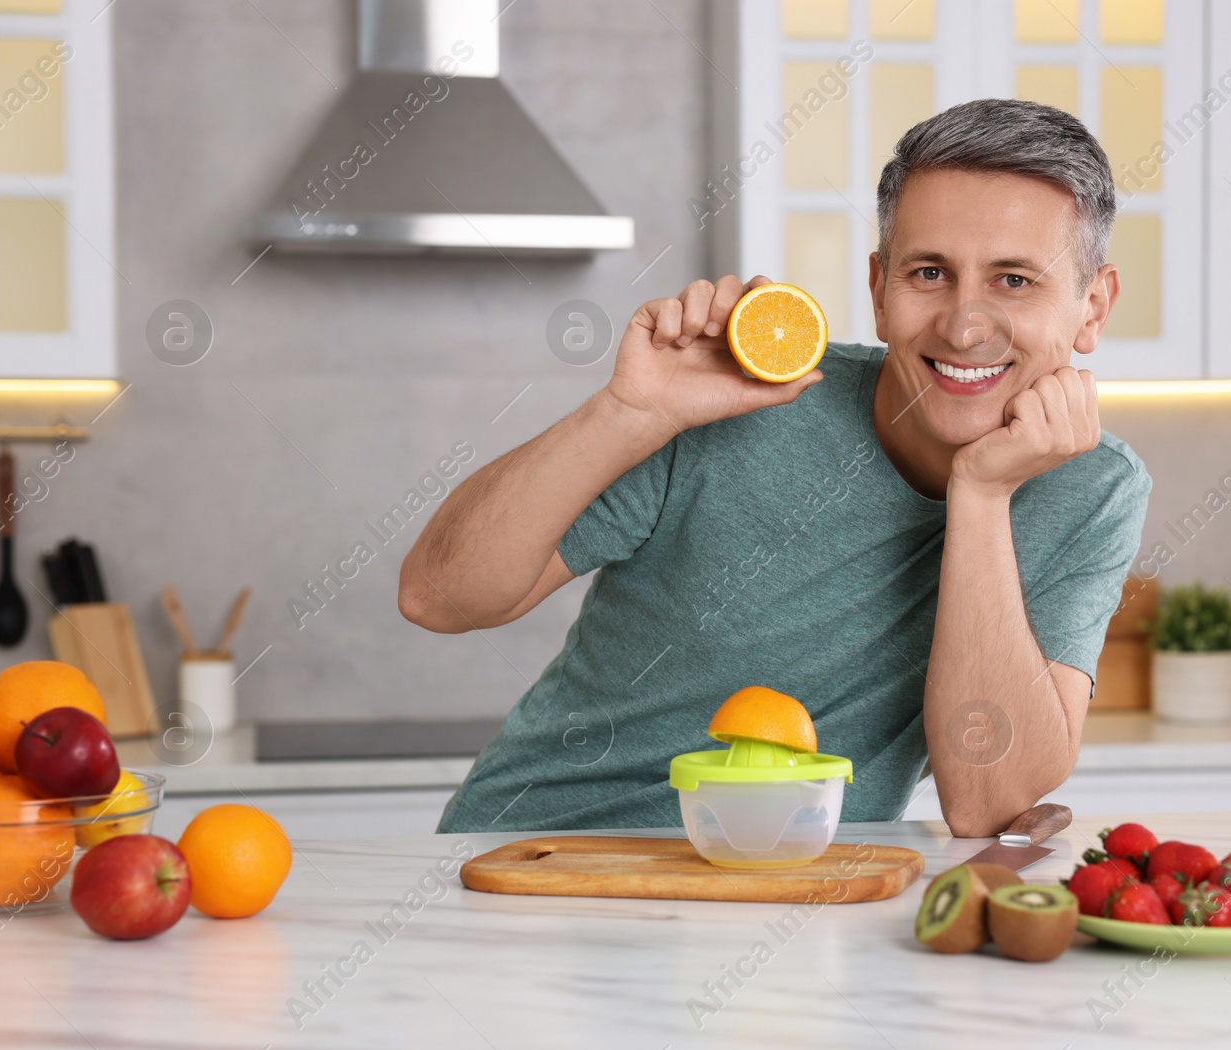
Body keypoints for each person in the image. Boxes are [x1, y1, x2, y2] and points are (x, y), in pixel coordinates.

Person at [402, 98, 1150, 837]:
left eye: (1014, 281)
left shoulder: (1091, 487)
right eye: (929, 273)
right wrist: (629, 414)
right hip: (535, 867)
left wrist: (982, 496)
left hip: (783, 908)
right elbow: (439, 596)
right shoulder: (738, 401)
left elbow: (989, 799)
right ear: (879, 291)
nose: (963, 323)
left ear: (1093, 308)